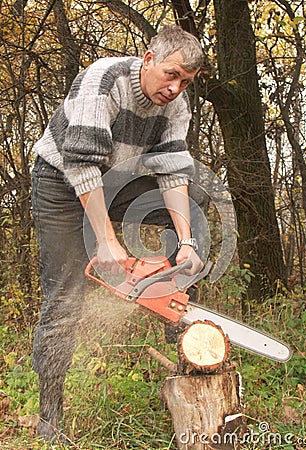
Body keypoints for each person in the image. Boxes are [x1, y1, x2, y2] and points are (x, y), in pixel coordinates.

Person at [31, 25, 206, 442]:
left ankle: (182, 333)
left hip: (113, 181)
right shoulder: (104, 79)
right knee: (64, 294)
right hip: (61, 180)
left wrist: (185, 242)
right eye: (171, 74)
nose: (175, 87)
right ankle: (50, 416)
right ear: (148, 59)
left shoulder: (176, 107)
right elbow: (80, 164)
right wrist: (107, 242)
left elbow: (172, 173)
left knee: (193, 217)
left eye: (185, 82)